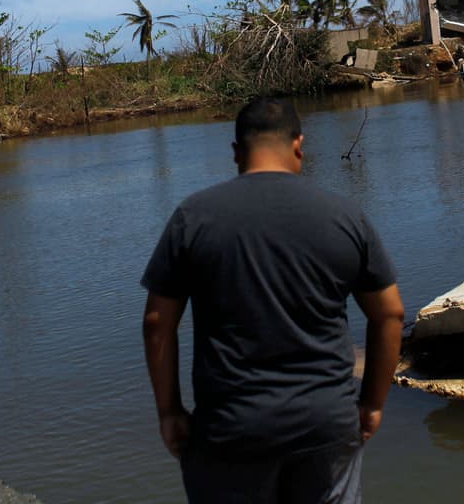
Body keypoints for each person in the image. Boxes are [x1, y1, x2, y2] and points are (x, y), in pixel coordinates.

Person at [142, 97, 404, 504]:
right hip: (325, 425)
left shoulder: (193, 217)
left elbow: (158, 322)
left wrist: (169, 411)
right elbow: (390, 314)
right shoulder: (344, 216)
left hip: (230, 429)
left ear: (235, 152)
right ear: (299, 144)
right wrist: (371, 403)